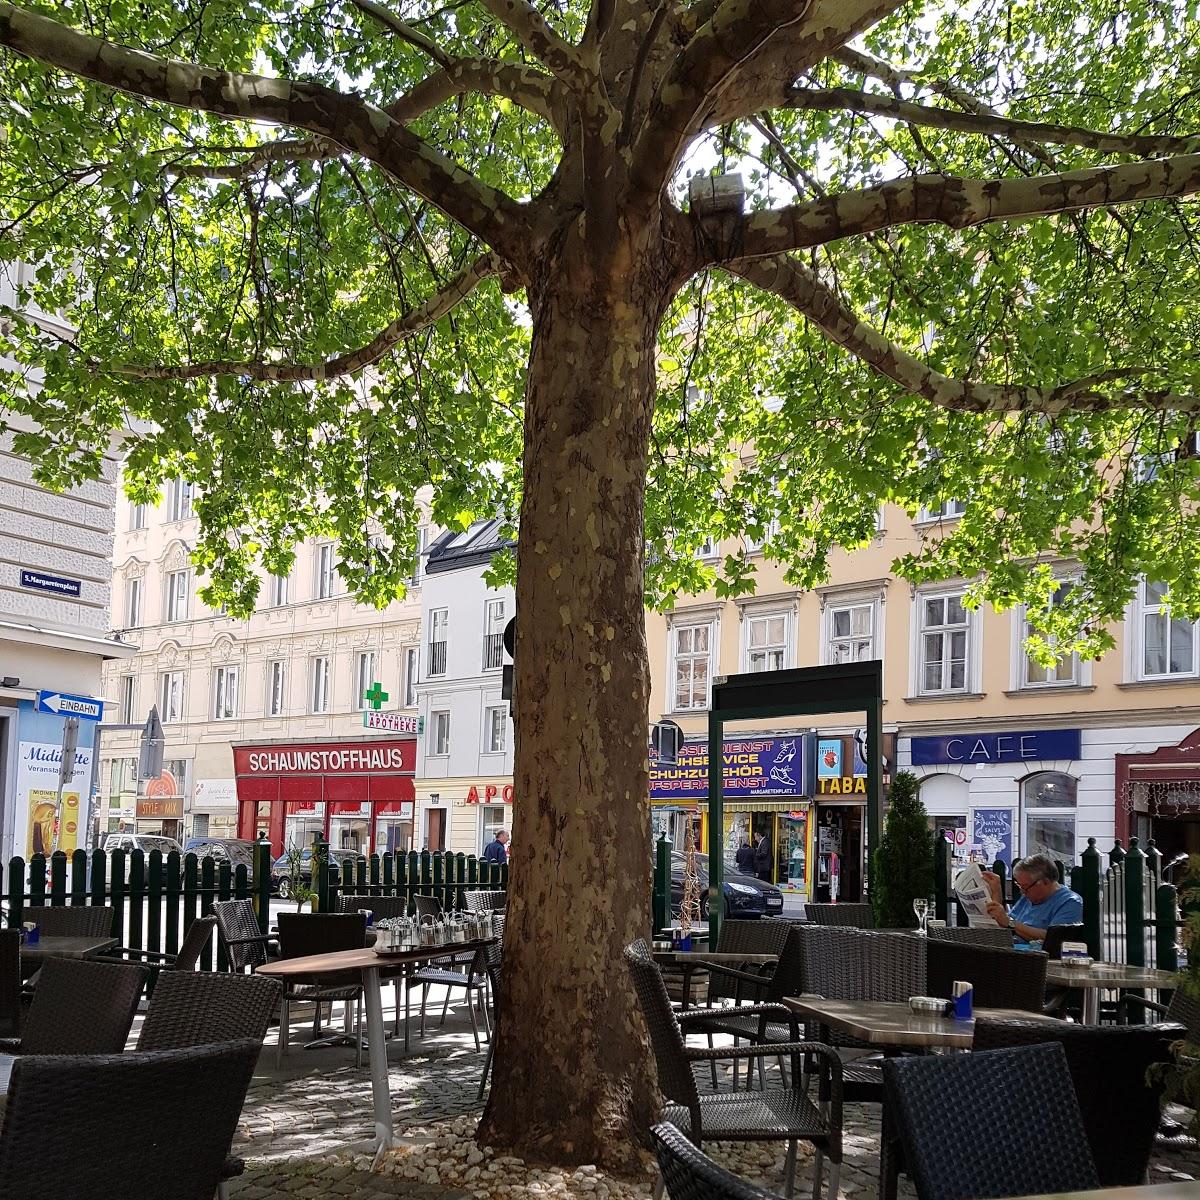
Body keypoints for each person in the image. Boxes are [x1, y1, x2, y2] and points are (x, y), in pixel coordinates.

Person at [984, 853, 1083, 945]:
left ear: (1045, 881)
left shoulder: (1070, 902)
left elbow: (1053, 939)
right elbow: (1003, 924)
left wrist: (1010, 923)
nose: (1022, 892)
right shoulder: (1028, 897)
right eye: (1019, 886)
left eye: (1025, 886)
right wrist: (996, 890)